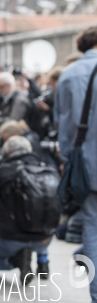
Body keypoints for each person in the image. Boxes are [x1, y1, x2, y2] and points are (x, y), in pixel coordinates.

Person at [54, 27, 97, 303]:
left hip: (88, 165)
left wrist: (67, 161)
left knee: (92, 226)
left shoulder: (69, 75)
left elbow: (64, 125)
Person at [0, 136, 55, 285]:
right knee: (40, 213)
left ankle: (17, 261)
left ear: (6, 152)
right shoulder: (48, 170)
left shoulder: (4, 171)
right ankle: (43, 261)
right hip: (44, 239)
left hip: (12, 238)